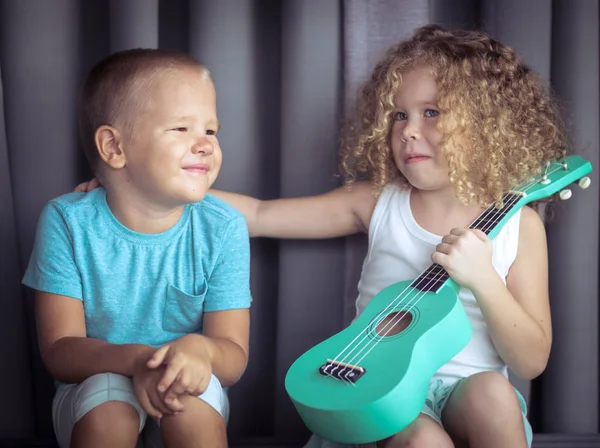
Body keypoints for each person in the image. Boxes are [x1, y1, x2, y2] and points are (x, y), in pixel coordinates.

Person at [77, 25, 565, 447]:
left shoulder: (518, 224)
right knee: (421, 439)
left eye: (431, 113)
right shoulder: (377, 200)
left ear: (487, 122)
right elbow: (263, 214)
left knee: (493, 396)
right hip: (377, 389)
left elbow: (531, 358)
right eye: (399, 115)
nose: (409, 132)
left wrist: (484, 278)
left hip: (472, 390)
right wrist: (139, 185)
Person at [24, 48, 252, 448]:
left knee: (192, 411)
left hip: (184, 385)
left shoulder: (225, 227)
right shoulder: (66, 221)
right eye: (182, 129)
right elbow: (60, 351)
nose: (204, 145)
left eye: (211, 131)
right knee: (108, 416)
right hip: (96, 385)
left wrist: (198, 350)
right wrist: (139, 361)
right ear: (114, 148)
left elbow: (232, 357)